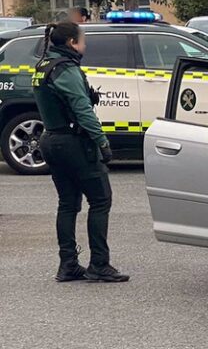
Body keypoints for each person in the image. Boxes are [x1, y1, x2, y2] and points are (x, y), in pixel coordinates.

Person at [32, 22, 129, 282]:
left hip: (51, 139)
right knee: (100, 200)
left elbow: (58, 100)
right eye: (82, 40)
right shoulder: (66, 69)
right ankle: (99, 264)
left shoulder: (43, 66)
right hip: (73, 142)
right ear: (72, 43)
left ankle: (68, 265)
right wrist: (103, 143)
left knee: (67, 204)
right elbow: (82, 111)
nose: (85, 45)